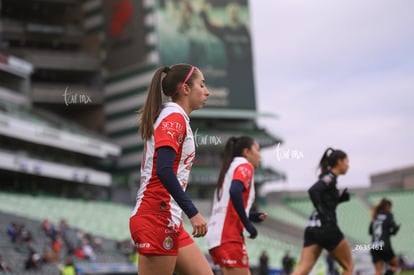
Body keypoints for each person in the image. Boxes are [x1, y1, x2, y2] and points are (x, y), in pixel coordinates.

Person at [129, 64, 212, 275]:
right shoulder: (173, 118)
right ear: (185, 88)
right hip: (156, 216)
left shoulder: (174, 116)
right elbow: (164, 170)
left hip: (168, 217)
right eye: (201, 85)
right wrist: (193, 212)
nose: (207, 91)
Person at [206, 136, 267, 275]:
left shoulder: (229, 169)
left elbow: (228, 205)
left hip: (218, 236)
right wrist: (248, 224)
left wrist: (252, 216)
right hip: (229, 236)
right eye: (257, 150)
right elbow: (235, 190)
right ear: (247, 152)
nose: (260, 155)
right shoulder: (245, 166)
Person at [292, 148, 353, 275]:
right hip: (327, 228)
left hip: (312, 229)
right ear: (339, 162)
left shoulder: (329, 178)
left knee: (302, 270)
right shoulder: (330, 177)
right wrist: (323, 213)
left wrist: (339, 200)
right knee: (349, 266)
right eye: (347, 161)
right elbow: (313, 190)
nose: (348, 165)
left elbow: (325, 202)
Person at [369, 198, 401, 275]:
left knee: (378, 271)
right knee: (395, 265)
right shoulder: (389, 215)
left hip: (374, 245)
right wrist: (395, 230)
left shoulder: (375, 216)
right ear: (388, 207)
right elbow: (392, 230)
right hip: (384, 245)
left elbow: (370, 232)